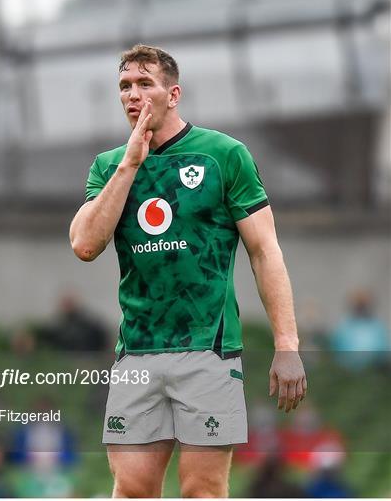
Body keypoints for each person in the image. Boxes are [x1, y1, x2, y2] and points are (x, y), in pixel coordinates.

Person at [70, 44, 307, 497]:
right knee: (133, 489)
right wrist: (131, 162)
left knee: (202, 489)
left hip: (208, 350)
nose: (133, 96)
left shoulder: (223, 155)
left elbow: (264, 250)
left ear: (173, 94)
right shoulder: (108, 166)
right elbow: (84, 244)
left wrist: (287, 343)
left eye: (145, 84)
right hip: (136, 351)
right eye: (124, 87)